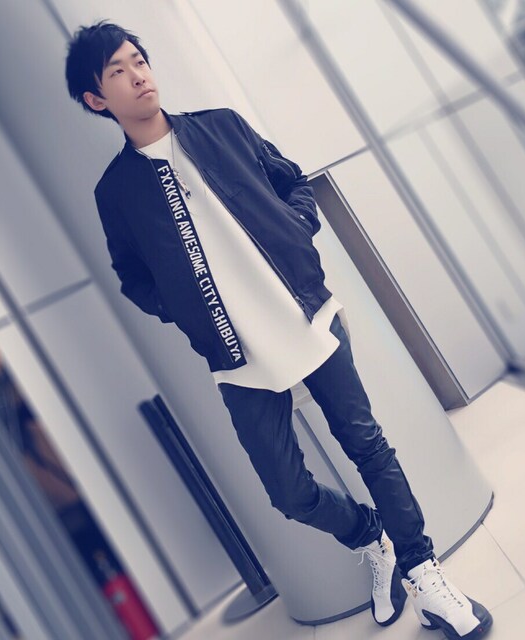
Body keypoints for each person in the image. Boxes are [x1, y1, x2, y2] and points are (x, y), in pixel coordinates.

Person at [64, 21, 493, 638]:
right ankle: (370, 537)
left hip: (305, 316)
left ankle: (426, 577)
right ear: (95, 98)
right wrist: (186, 310)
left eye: (139, 60)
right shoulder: (117, 192)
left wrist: (296, 235)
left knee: (368, 447)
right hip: (236, 356)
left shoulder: (220, 127)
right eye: (117, 71)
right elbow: (132, 277)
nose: (137, 75)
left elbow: (292, 181)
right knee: (288, 493)